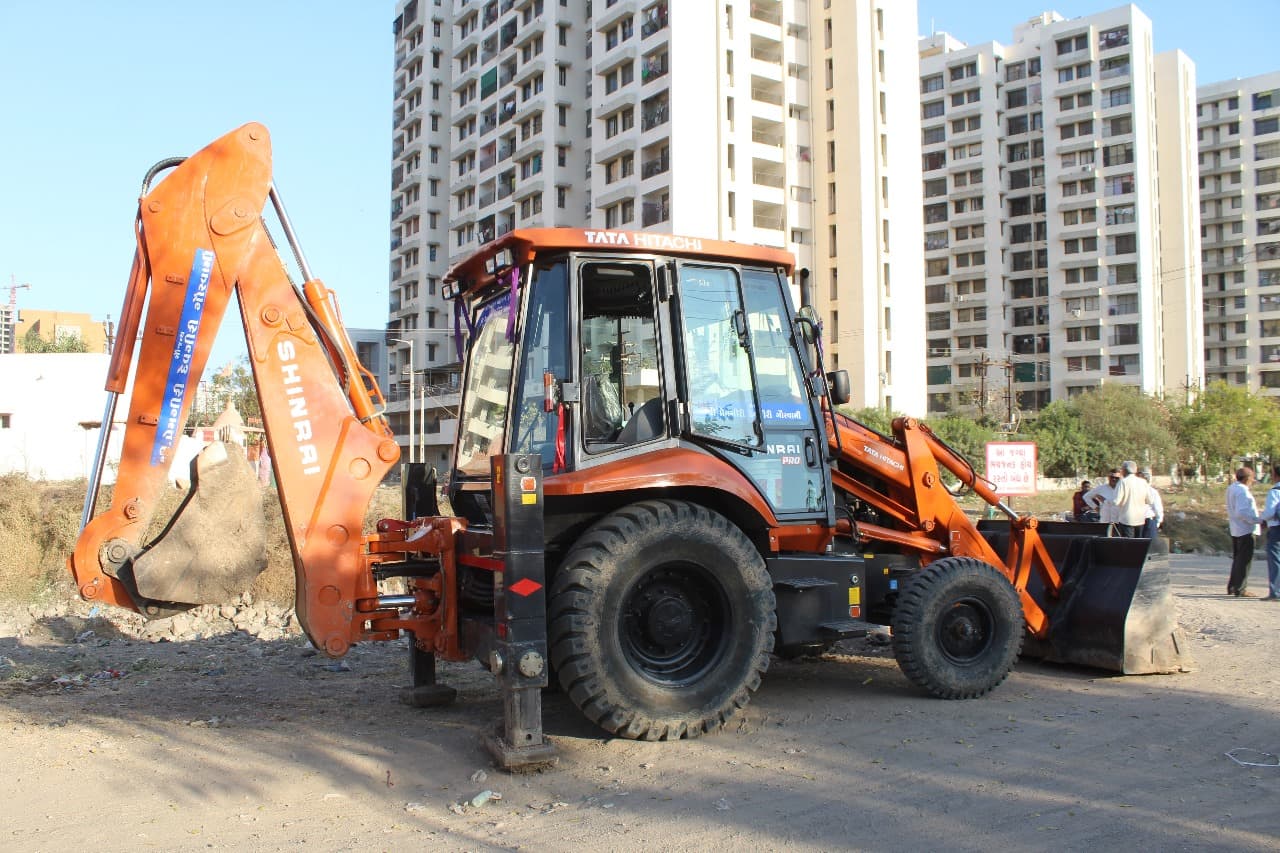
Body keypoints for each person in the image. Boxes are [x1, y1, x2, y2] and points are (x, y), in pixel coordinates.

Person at [1226, 466, 1264, 597]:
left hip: (1236, 528)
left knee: (1238, 559)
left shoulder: (1232, 488)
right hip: (1245, 529)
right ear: (1247, 478)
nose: (1253, 480)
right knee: (1244, 560)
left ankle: (1232, 586)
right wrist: (1257, 520)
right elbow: (1242, 512)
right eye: (1252, 478)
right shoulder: (1242, 492)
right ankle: (1240, 588)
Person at [1111, 460, 1154, 538]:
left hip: (1126, 519)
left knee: (1128, 545)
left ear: (1124, 470)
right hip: (1140, 518)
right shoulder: (1143, 482)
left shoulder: (1123, 482)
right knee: (1138, 544)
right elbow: (1150, 500)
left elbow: (1116, 501)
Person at [1262, 464, 1280, 601]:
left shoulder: (1275, 491)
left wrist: (1261, 518)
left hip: (1277, 529)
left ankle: (1276, 592)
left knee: (1275, 560)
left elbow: (1269, 513)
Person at [1138, 470, 1163, 538]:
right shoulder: (1135, 491)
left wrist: (1158, 521)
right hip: (1137, 520)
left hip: (1149, 519)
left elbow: (1157, 508)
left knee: (1150, 544)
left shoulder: (1152, 492)